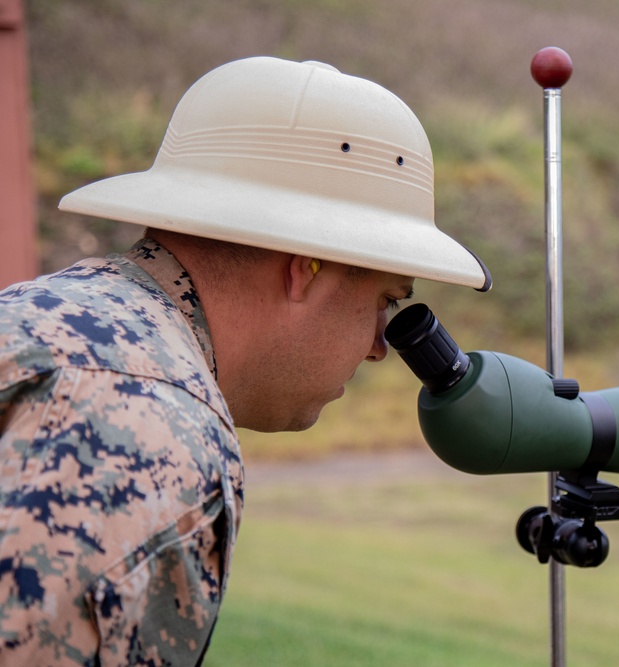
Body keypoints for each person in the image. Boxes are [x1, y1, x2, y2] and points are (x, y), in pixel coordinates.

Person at [0, 56, 491, 666]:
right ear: (305, 269)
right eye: (384, 301)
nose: (377, 346)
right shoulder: (156, 423)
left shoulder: (43, 313)